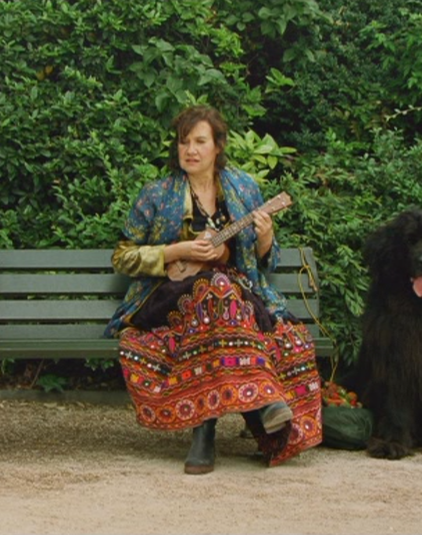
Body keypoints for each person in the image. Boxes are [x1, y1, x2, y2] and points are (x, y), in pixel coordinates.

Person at [105, 104, 322, 473]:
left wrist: (265, 237)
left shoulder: (244, 189)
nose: (190, 150)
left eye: (199, 141)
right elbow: (122, 257)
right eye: (184, 142)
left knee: (227, 294)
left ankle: (204, 436)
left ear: (218, 146)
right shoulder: (156, 194)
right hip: (169, 298)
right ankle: (263, 405)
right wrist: (178, 251)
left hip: (234, 298)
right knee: (216, 289)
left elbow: (267, 261)